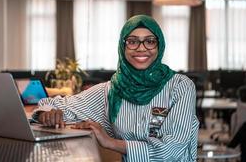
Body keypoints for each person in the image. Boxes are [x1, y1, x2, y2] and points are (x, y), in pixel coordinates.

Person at [34, 15, 199, 161]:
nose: (141, 48)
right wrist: (46, 114)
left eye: (150, 41)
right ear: (123, 47)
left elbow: (172, 150)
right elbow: (53, 105)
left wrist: (111, 143)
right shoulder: (111, 91)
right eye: (132, 41)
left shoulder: (180, 86)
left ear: (159, 45)